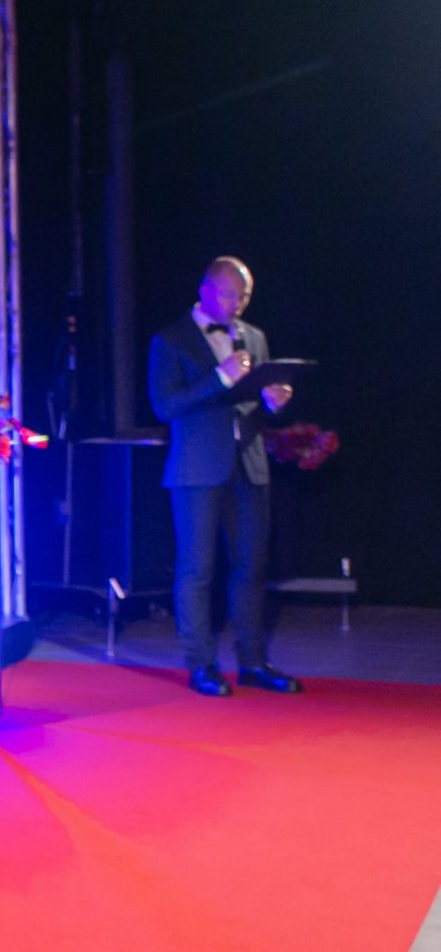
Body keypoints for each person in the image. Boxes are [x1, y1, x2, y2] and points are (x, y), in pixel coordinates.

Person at [148, 255, 301, 697]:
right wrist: (219, 377)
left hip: (248, 464)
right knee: (197, 569)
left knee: (251, 567)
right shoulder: (171, 339)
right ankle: (201, 664)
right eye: (231, 294)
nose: (238, 303)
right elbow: (165, 406)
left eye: (245, 295)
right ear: (206, 290)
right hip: (197, 470)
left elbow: (253, 402)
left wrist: (273, 401)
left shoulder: (254, 337)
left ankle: (252, 662)